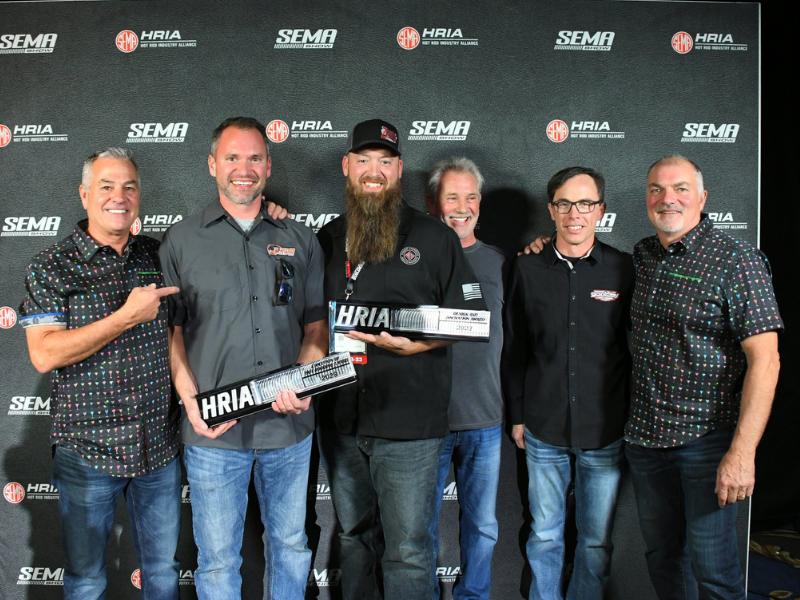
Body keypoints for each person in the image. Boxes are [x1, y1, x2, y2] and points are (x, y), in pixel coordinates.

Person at [316, 119, 487, 600]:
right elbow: (310, 324)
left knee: (409, 551)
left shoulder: (434, 237)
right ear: (347, 167)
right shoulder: (325, 240)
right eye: (365, 161)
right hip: (343, 419)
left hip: (410, 423)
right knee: (352, 539)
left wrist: (416, 344)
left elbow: (471, 318)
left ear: (399, 169)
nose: (375, 171)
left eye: (385, 162)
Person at [159, 117, 327, 600]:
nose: (243, 168)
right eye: (232, 157)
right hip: (214, 432)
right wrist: (190, 401)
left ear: (269, 166)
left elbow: (316, 324)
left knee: (291, 546)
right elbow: (171, 330)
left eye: (254, 157)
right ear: (213, 164)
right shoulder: (181, 240)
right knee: (215, 562)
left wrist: (303, 378)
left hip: (288, 428)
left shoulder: (299, 237)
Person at [19, 147, 181, 599]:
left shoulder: (158, 254)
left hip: (158, 447)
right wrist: (125, 317)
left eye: (129, 186)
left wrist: (267, 210)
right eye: (107, 186)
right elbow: (44, 355)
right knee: (87, 580)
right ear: (85, 194)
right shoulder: (51, 265)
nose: (119, 196)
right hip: (88, 451)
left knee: (164, 574)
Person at [625, 155, 782, 599]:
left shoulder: (737, 261)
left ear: (702, 198)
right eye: (656, 189)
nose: (667, 198)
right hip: (645, 441)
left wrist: (742, 453)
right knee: (662, 560)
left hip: (707, 443)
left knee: (714, 571)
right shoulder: (643, 254)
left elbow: (766, 360)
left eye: (679, 189)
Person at [504, 166, 633, 600]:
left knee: (596, 542)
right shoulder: (526, 270)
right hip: (543, 429)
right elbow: (516, 350)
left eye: (585, 203)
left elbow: (633, 352)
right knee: (545, 535)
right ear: (551, 209)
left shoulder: (624, 270)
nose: (574, 213)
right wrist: (518, 416)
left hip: (605, 431)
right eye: (564, 203)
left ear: (601, 210)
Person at [424, 157, 507, 600]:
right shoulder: (414, 260)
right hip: (427, 422)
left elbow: (518, 345)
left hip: (485, 420)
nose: (462, 206)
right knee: (422, 529)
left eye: (470, 196)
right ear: (434, 202)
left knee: (483, 526)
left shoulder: (499, 263)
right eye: (452, 196)